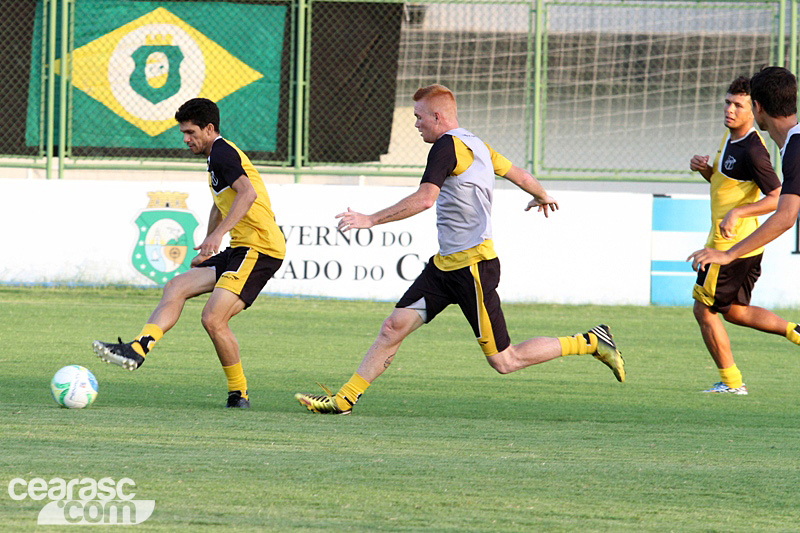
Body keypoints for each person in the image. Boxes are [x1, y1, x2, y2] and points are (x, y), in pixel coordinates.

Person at [295, 84, 625, 415]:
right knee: (392, 327)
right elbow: (521, 175)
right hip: (444, 267)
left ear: (437, 116)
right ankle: (344, 400)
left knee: (505, 360)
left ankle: (591, 341)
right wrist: (541, 195)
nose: (416, 124)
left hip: (473, 268)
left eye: (418, 117)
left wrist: (370, 219)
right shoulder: (477, 145)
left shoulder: (446, 147)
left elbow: (425, 199)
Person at [92, 98, 286, 408]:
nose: (185, 139)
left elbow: (247, 194)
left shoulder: (222, 152)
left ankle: (239, 394)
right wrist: (211, 242)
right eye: (183, 132)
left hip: (260, 247)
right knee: (176, 286)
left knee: (213, 318)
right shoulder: (215, 157)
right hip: (240, 247)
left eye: (190, 132)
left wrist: (218, 235)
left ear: (210, 129)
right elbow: (222, 202)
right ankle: (138, 349)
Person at [688, 67, 800, 387]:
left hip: (733, 242)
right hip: (736, 241)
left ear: (757, 108)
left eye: (739, 104)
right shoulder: (784, 145)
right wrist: (707, 170)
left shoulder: (773, 148)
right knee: (735, 311)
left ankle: (731, 382)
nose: (730, 109)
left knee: (705, 309)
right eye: (728, 103)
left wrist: (730, 248)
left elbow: (783, 210)